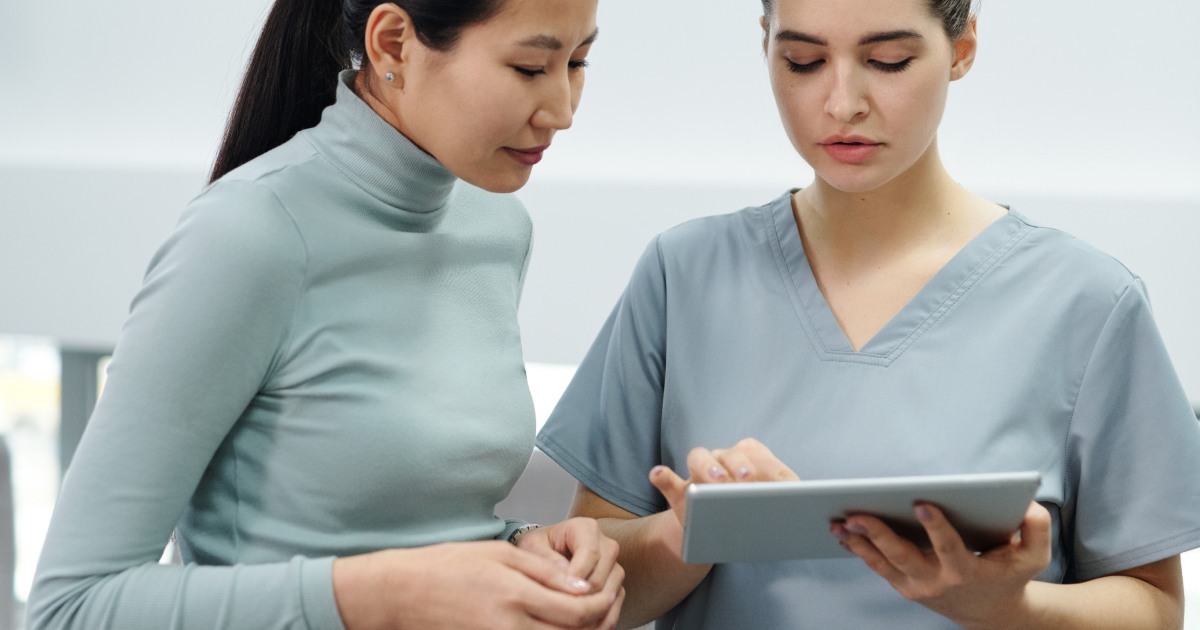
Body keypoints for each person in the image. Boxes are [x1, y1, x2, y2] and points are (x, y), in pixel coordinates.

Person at [535, 0, 1200, 628]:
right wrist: (691, 532)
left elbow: (1155, 607)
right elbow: (592, 582)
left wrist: (1008, 608)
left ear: (962, 46)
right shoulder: (682, 276)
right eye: (802, 61)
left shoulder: (1086, 302)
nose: (841, 103)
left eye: (887, 62)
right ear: (765, 45)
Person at [27, 0, 625, 629]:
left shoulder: (498, 226)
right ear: (393, 43)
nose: (561, 110)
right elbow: (72, 608)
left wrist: (521, 550)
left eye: (578, 61)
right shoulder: (248, 235)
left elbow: (426, 520)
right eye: (531, 68)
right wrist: (390, 593)